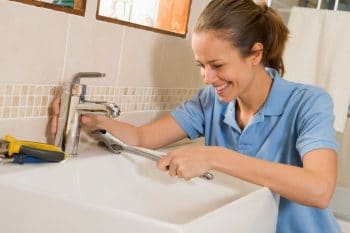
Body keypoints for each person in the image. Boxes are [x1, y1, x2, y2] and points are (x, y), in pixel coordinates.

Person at [51, 0, 340, 232]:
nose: (207, 77)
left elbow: (319, 189)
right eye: (201, 65)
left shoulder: (308, 103)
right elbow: (142, 137)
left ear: (255, 54)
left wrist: (214, 156)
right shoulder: (210, 102)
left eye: (217, 65)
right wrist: (91, 120)